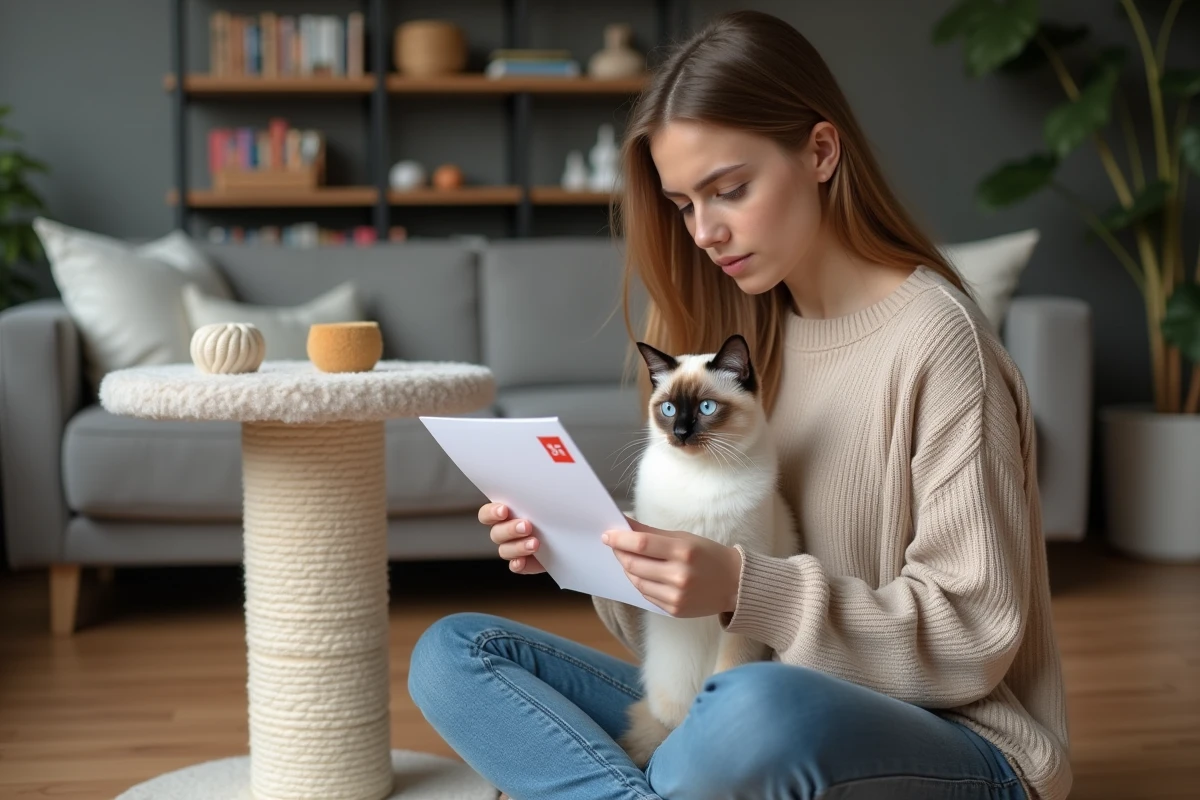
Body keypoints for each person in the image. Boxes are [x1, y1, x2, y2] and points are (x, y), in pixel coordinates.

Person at [408, 9, 1070, 800]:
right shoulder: (748, 346)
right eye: (685, 204)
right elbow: (684, 632)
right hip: (747, 700)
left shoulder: (939, 342)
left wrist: (744, 587)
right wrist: (592, 550)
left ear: (821, 152)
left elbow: (973, 638)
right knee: (454, 654)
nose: (705, 232)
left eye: (730, 190)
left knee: (751, 711)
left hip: (949, 742)